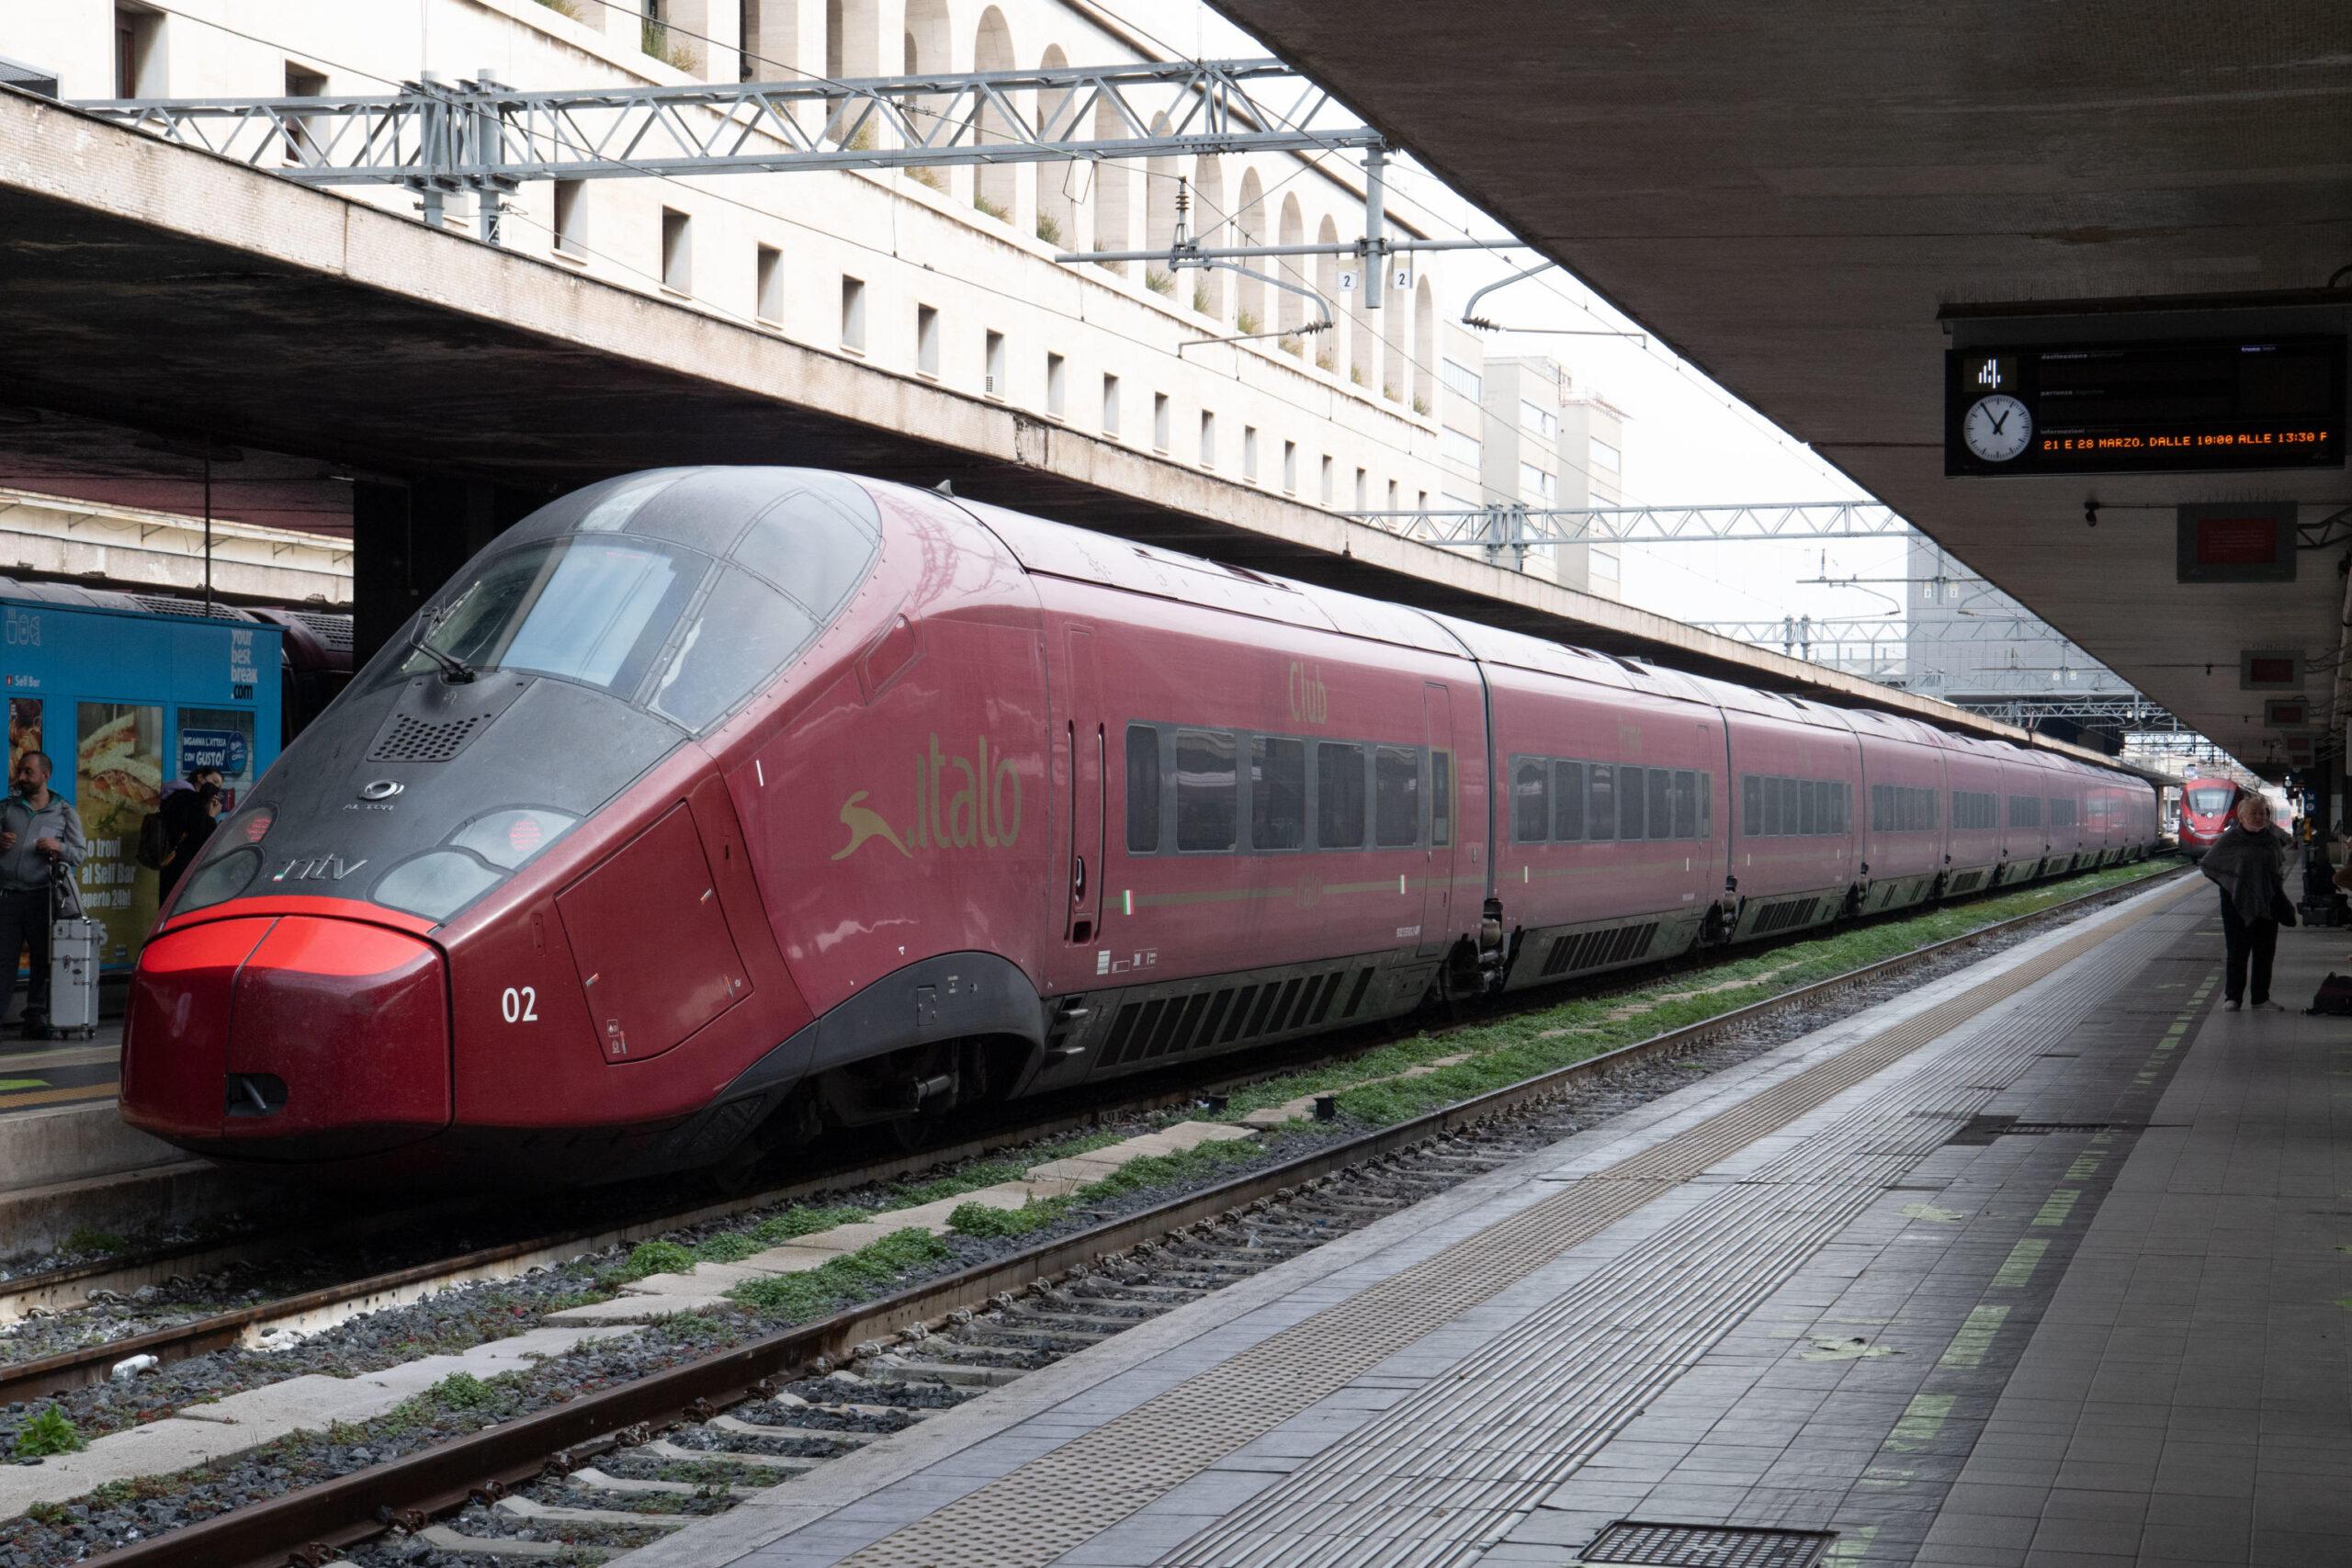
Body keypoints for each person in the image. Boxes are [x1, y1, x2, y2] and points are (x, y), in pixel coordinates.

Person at [0, 751, 86, 1039]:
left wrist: (58, 847)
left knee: (41, 959)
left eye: (27, 772)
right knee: (4, 959)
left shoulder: (64, 811)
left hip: (42, 896)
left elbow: (80, 854)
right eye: (20, 772)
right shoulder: (7, 808)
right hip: (8, 896)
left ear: (44, 776)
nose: (21, 778)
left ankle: (35, 1015)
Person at [2201, 794, 2293, 1011]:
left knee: (2264, 952)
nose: (2259, 817)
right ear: (2241, 816)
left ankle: (2260, 998)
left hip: (2267, 903)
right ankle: (2232, 997)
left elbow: (2277, 868)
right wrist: (2231, 882)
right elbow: (2208, 864)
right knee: (2237, 951)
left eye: (2262, 813)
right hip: (2235, 903)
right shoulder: (2230, 839)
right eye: (2253, 813)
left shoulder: (2271, 839)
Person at [157, 781, 222, 903]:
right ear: (213, 801)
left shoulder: (178, 804)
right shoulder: (199, 817)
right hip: (181, 874)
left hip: (167, 869)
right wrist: (211, 816)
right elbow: (206, 846)